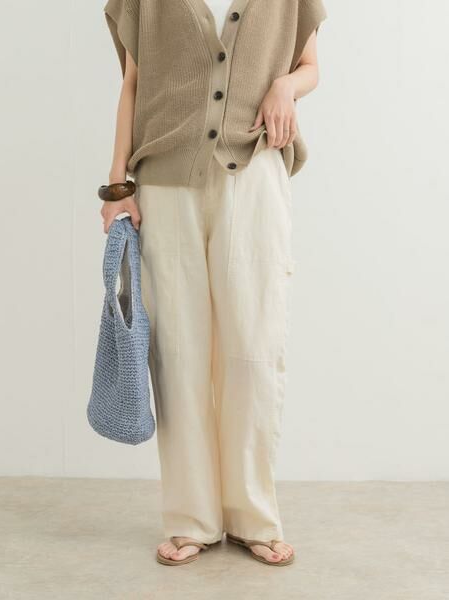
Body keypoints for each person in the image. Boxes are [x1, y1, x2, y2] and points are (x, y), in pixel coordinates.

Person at [99, 0, 326, 566]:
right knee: (178, 353)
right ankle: (190, 518)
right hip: (164, 184)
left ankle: (254, 516)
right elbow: (133, 82)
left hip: (255, 175)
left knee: (254, 348)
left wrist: (285, 86)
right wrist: (117, 185)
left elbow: (310, 66)